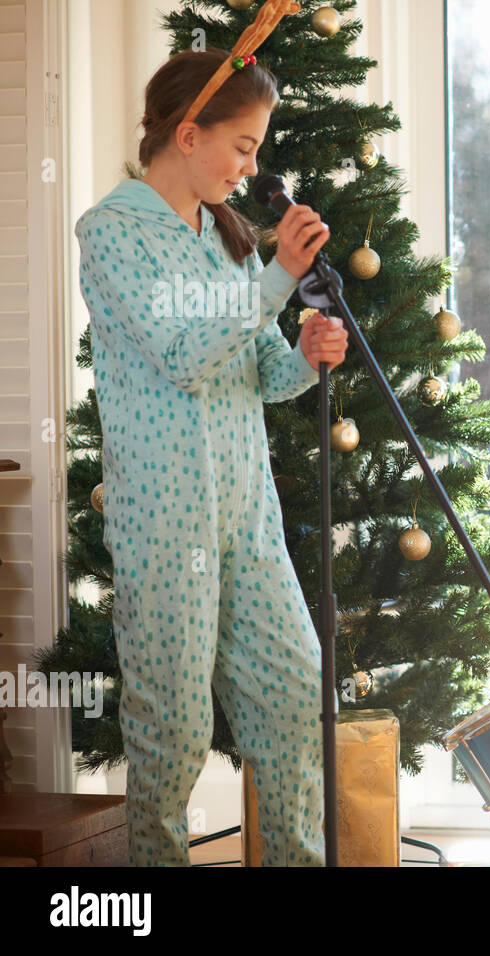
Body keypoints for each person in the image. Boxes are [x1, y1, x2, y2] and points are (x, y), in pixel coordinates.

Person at [75, 43, 348, 865]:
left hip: (247, 512)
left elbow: (253, 372)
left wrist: (304, 352)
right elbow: (180, 352)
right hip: (165, 523)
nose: (252, 168)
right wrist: (273, 281)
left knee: (297, 692)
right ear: (188, 133)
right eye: (243, 145)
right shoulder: (112, 232)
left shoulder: (223, 236)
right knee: (174, 730)